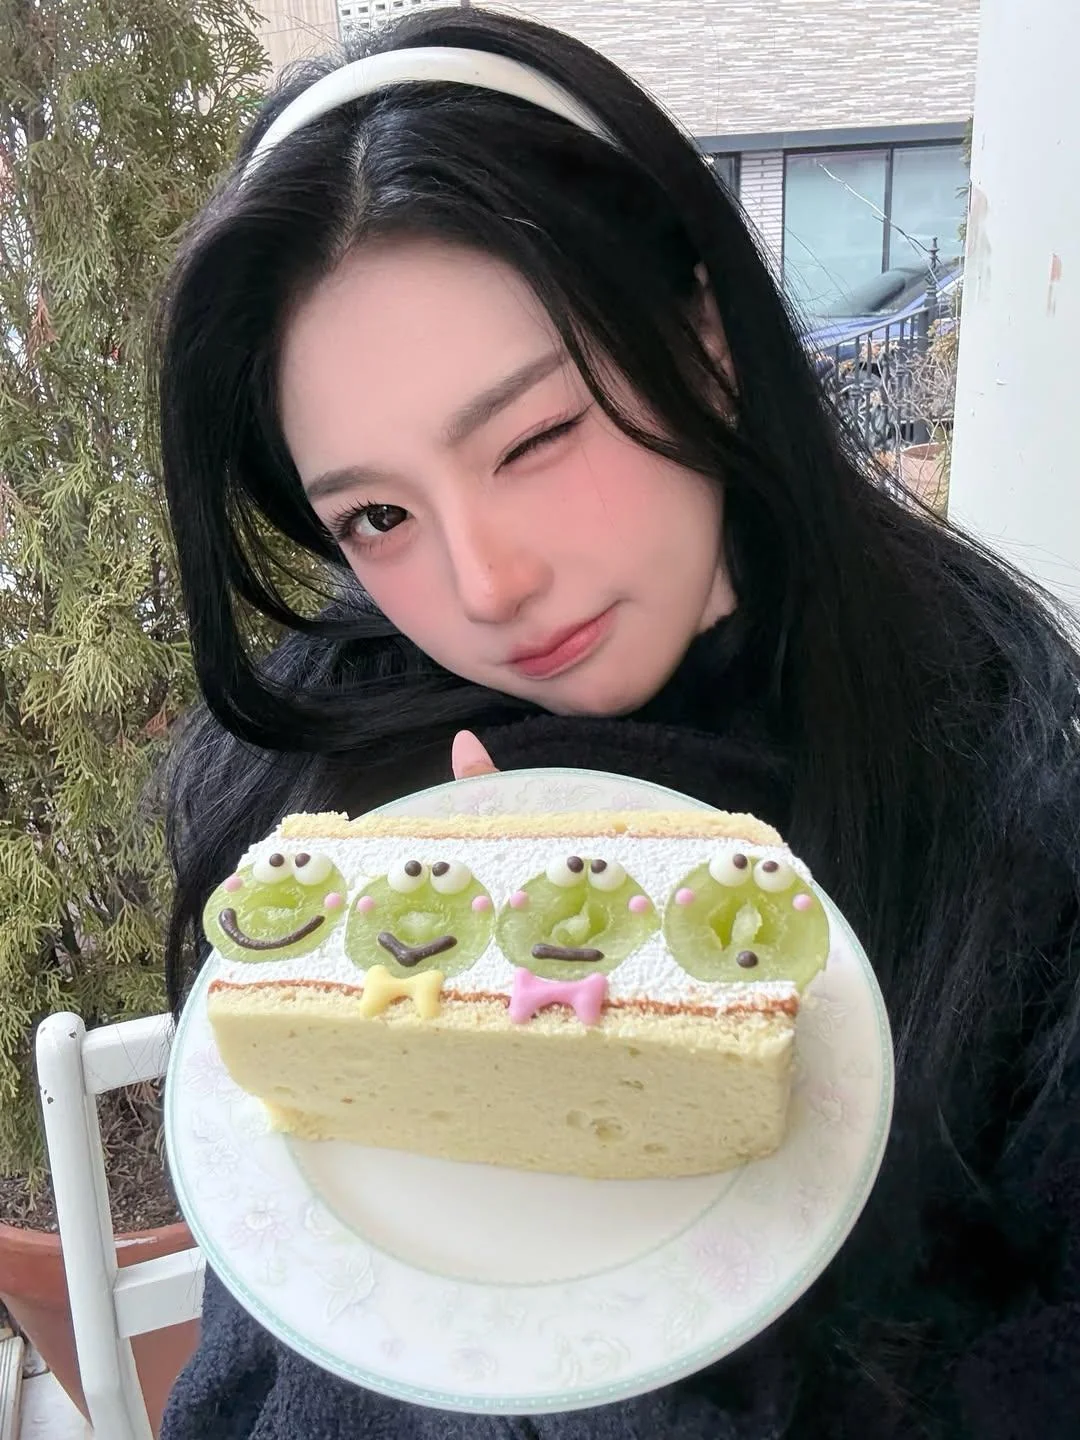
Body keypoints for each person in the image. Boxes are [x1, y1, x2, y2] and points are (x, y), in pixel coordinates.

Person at [154, 6, 1080, 1438]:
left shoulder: (1006, 790)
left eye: (535, 437)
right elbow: (245, 1375)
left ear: (704, 340)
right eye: (378, 516)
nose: (486, 586)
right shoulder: (323, 799)